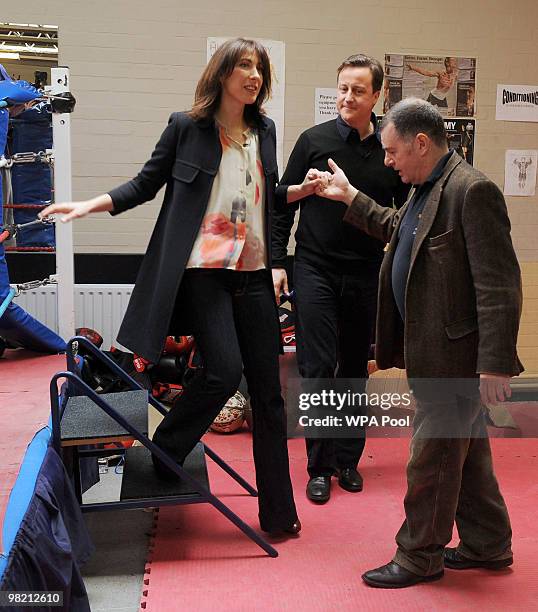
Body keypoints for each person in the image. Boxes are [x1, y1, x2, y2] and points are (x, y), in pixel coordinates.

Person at [40, 38, 300, 536]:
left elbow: (265, 196)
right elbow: (144, 183)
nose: (254, 75)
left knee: (269, 395)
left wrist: (299, 192)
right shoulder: (187, 128)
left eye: (260, 68)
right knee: (223, 369)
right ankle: (172, 447)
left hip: (254, 272)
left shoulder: (263, 131)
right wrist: (84, 206)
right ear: (222, 72)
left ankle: (278, 513)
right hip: (204, 272)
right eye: (244, 65)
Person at [315, 97, 523, 587]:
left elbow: (500, 285)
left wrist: (494, 364)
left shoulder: (472, 192)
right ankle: (488, 544)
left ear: (421, 143)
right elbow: (397, 230)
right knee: (463, 453)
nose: (387, 161)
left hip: (457, 360)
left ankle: (418, 556)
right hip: (432, 353)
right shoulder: (426, 188)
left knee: (431, 459)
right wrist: (349, 197)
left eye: (392, 152)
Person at [272, 54, 409, 504]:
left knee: (353, 367)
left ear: (378, 96)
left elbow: (406, 216)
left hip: (366, 271)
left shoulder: (391, 150)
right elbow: (280, 203)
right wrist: (277, 262)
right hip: (314, 269)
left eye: (358, 91)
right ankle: (319, 465)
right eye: (342, 88)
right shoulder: (314, 141)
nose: (348, 98)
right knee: (317, 366)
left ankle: (348, 460)